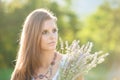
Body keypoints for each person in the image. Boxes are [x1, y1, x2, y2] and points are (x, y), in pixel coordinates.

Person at [10, 8, 84, 80]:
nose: (52, 37)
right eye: (45, 32)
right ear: (32, 36)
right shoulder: (22, 72)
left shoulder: (70, 65)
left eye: (54, 30)